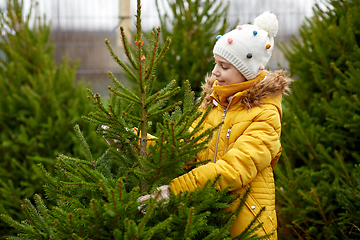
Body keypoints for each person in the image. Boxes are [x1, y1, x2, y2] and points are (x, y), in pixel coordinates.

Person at [159, 11, 292, 239]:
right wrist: (135, 139)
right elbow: (187, 147)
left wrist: (174, 191)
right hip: (210, 222)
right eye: (216, 63)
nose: (215, 72)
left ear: (247, 71)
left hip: (247, 228)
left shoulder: (266, 115)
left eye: (224, 66)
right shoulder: (214, 103)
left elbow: (234, 169)